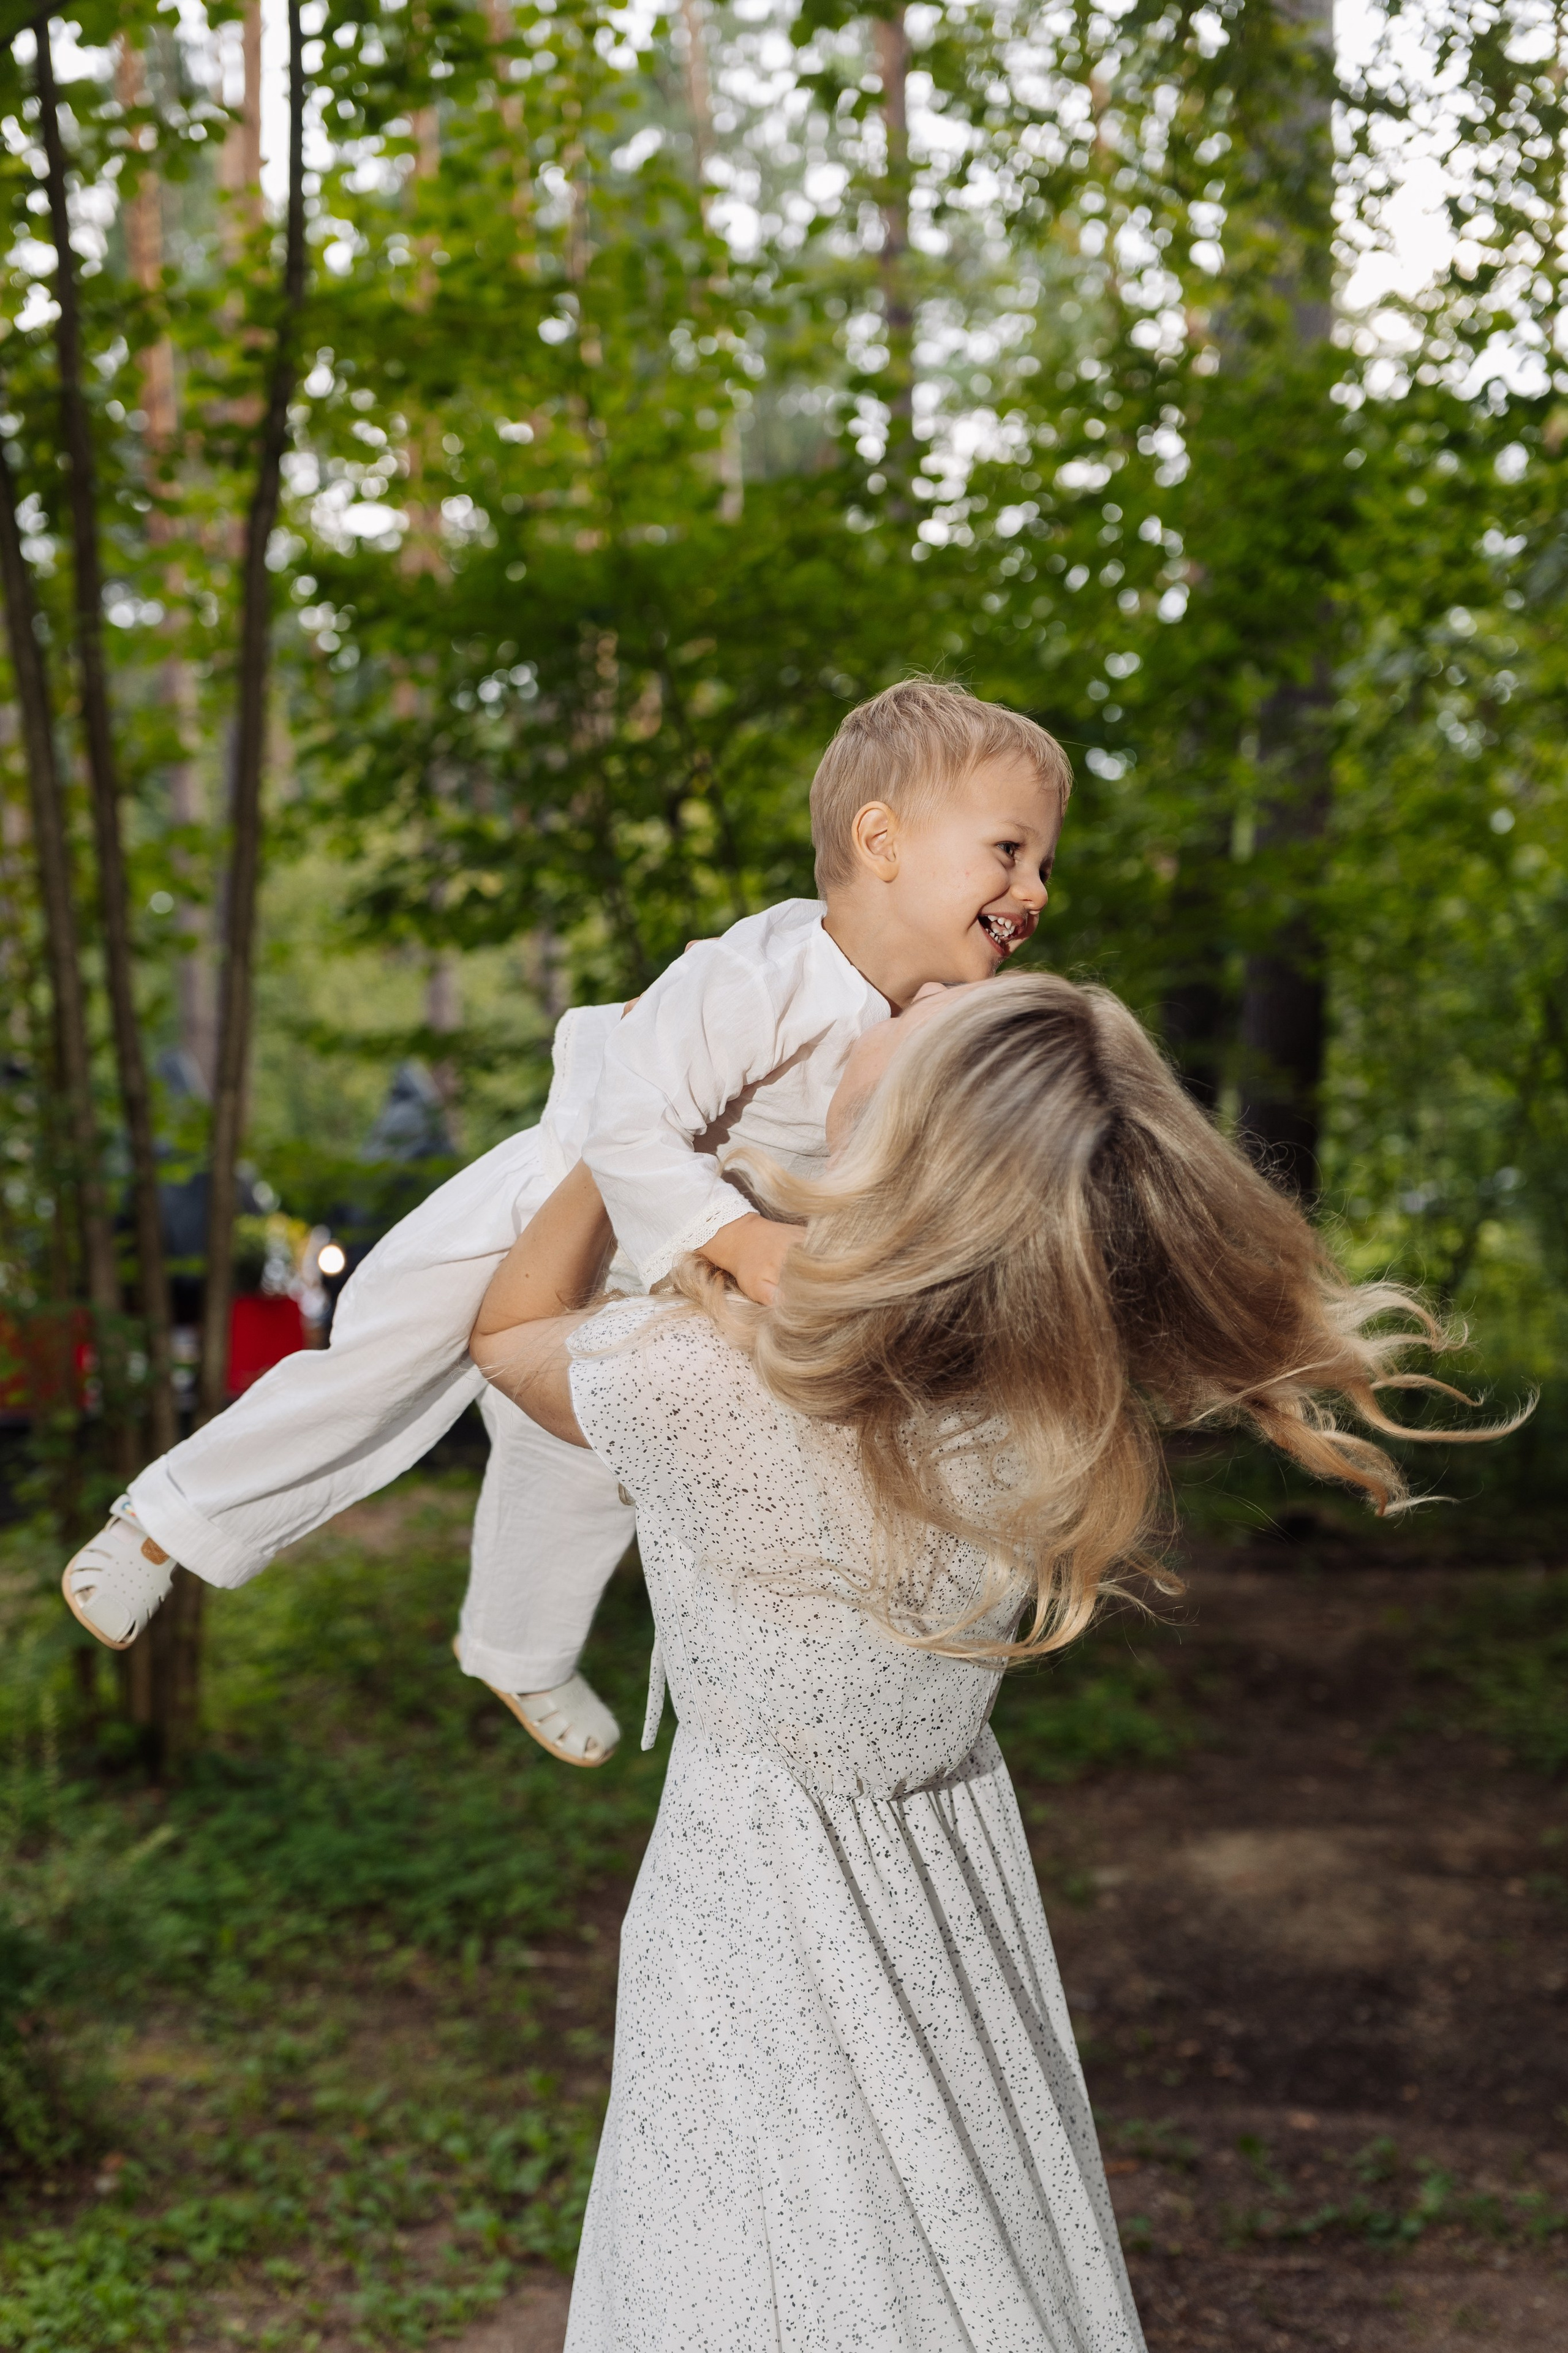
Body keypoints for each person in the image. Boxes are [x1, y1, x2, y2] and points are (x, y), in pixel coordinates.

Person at [469, 970, 1493, 2350]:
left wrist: (625, 1129)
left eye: (913, 1018)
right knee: (950, 2234)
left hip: (758, 1909)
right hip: (945, 1900)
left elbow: (506, 1336)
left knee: (751, 2260)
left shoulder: (709, 1377)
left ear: (900, 1131)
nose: (896, 999)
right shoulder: (1051, 1383)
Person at [59, 681, 1069, 1765]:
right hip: (548, 1201)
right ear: (881, 841)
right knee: (380, 1360)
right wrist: (737, 1239)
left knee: (594, 1458)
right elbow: (628, 1119)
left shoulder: (930, 1019)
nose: (1033, 890)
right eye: (1010, 851)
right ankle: (165, 1520)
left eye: (1046, 866)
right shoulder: (763, 972)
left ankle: (521, 1645)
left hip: (662, 1270)